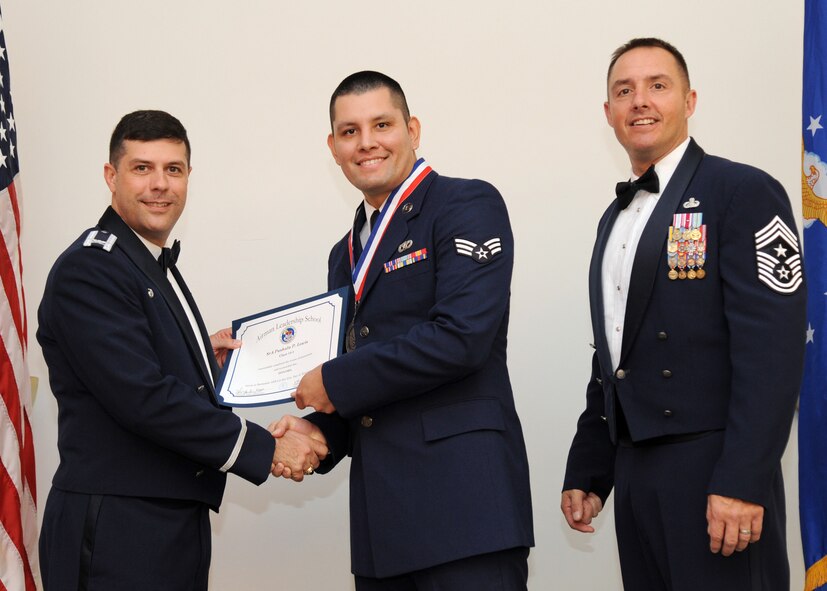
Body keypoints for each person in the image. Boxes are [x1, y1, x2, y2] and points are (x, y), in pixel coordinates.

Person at [36, 110, 327, 590]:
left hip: (165, 521)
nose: (160, 184)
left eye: (173, 169)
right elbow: (142, 396)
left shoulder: (143, 261)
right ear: (111, 176)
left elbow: (140, 362)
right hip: (117, 528)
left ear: (189, 178)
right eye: (142, 167)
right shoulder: (91, 268)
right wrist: (265, 446)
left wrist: (195, 352)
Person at [271, 71, 534, 590]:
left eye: (382, 124)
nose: (366, 142)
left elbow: (461, 338)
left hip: (466, 513)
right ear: (333, 146)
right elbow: (363, 375)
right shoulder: (343, 254)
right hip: (382, 526)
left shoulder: (466, 205)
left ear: (413, 129)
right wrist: (319, 429)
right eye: (349, 131)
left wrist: (335, 383)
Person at [561, 38, 806, 590]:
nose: (639, 102)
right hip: (636, 472)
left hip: (715, 471)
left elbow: (773, 352)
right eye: (624, 91)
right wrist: (591, 469)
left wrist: (743, 481)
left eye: (657, 86)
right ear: (608, 114)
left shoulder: (743, 191)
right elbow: (616, 353)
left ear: (689, 100)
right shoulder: (613, 219)